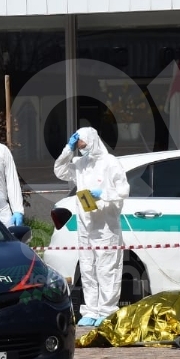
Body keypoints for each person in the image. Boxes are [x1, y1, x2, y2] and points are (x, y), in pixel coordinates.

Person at [54, 126, 130, 327]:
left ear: (93, 141)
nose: (80, 147)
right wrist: (67, 150)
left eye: (82, 143)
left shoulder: (110, 162)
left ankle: (107, 310)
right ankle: (91, 310)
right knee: (88, 269)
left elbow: (123, 190)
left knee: (107, 269)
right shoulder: (80, 164)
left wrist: (102, 193)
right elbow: (59, 170)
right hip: (86, 225)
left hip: (106, 226)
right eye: (77, 144)